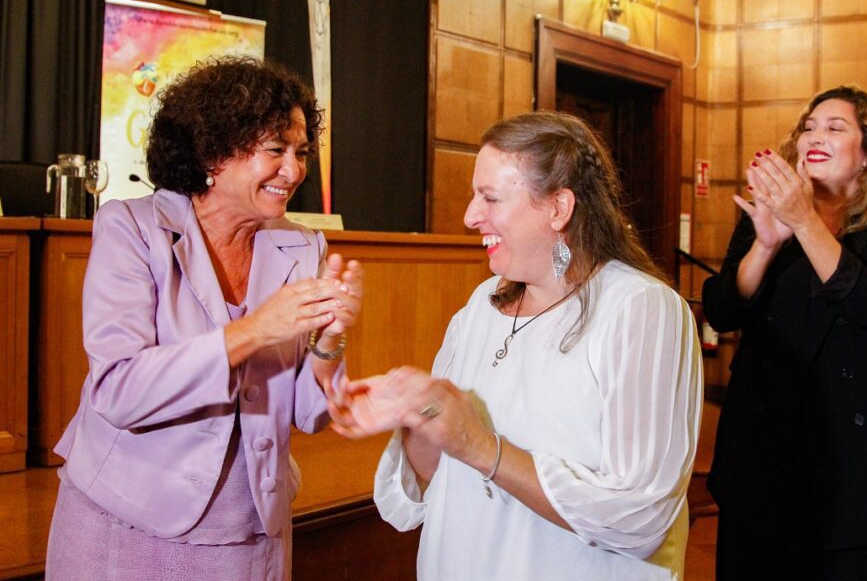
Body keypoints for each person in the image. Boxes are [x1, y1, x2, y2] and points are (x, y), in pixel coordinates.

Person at [328, 111, 703, 581]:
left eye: (490, 198)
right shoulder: (480, 306)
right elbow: (434, 480)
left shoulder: (643, 310)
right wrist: (418, 416)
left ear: (558, 208)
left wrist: (483, 446)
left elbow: (639, 518)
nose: (469, 216)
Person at [45, 56, 362, 581]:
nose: (294, 170)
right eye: (276, 150)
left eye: (301, 152)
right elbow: (120, 391)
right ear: (215, 152)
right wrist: (255, 330)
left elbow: (310, 413)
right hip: (127, 522)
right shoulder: (132, 229)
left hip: (250, 530)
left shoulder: (303, 246)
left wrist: (329, 343)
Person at [702, 85, 867, 581]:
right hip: (764, 446)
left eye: (835, 128)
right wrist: (765, 246)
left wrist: (804, 220)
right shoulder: (767, 212)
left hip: (852, 460)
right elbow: (723, 310)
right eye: (809, 126)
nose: (816, 134)